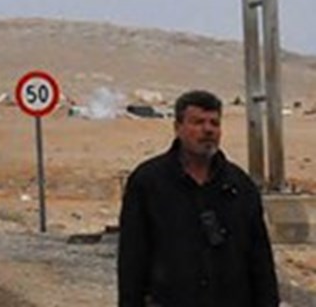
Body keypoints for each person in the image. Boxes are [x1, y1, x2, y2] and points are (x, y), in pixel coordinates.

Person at [117, 89, 279, 307]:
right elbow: (132, 257)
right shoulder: (148, 183)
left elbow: (260, 258)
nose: (208, 130)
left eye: (214, 123)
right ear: (178, 127)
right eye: (198, 122)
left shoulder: (240, 185)